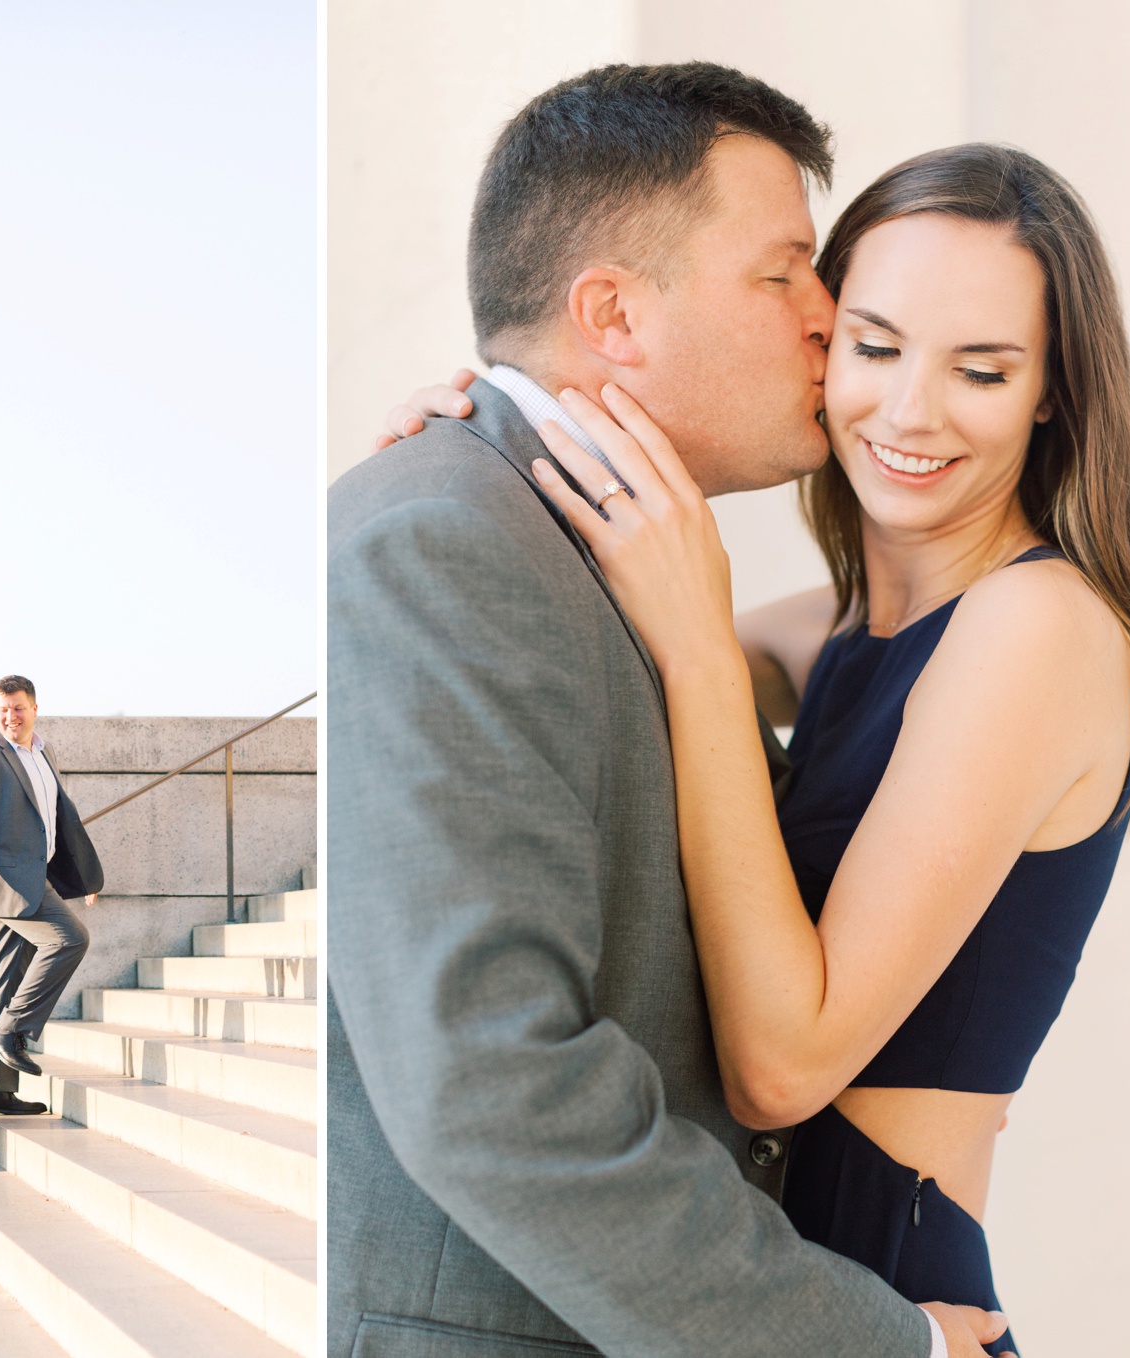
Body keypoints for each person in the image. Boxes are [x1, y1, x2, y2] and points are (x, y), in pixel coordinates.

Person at [331, 63, 1011, 1358]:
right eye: (785, 273)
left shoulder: (571, 539)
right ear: (612, 314)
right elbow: (493, 1082)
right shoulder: (443, 536)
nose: (833, 320)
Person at [0, 674, 105, 1116]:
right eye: (2, 710)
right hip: (5, 883)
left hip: (37, 876)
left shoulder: (45, 751)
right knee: (71, 938)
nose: (10, 717)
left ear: (34, 709)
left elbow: (57, 816)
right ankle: (11, 1029)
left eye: (17, 708)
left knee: (5, 980)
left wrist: (85, 876)